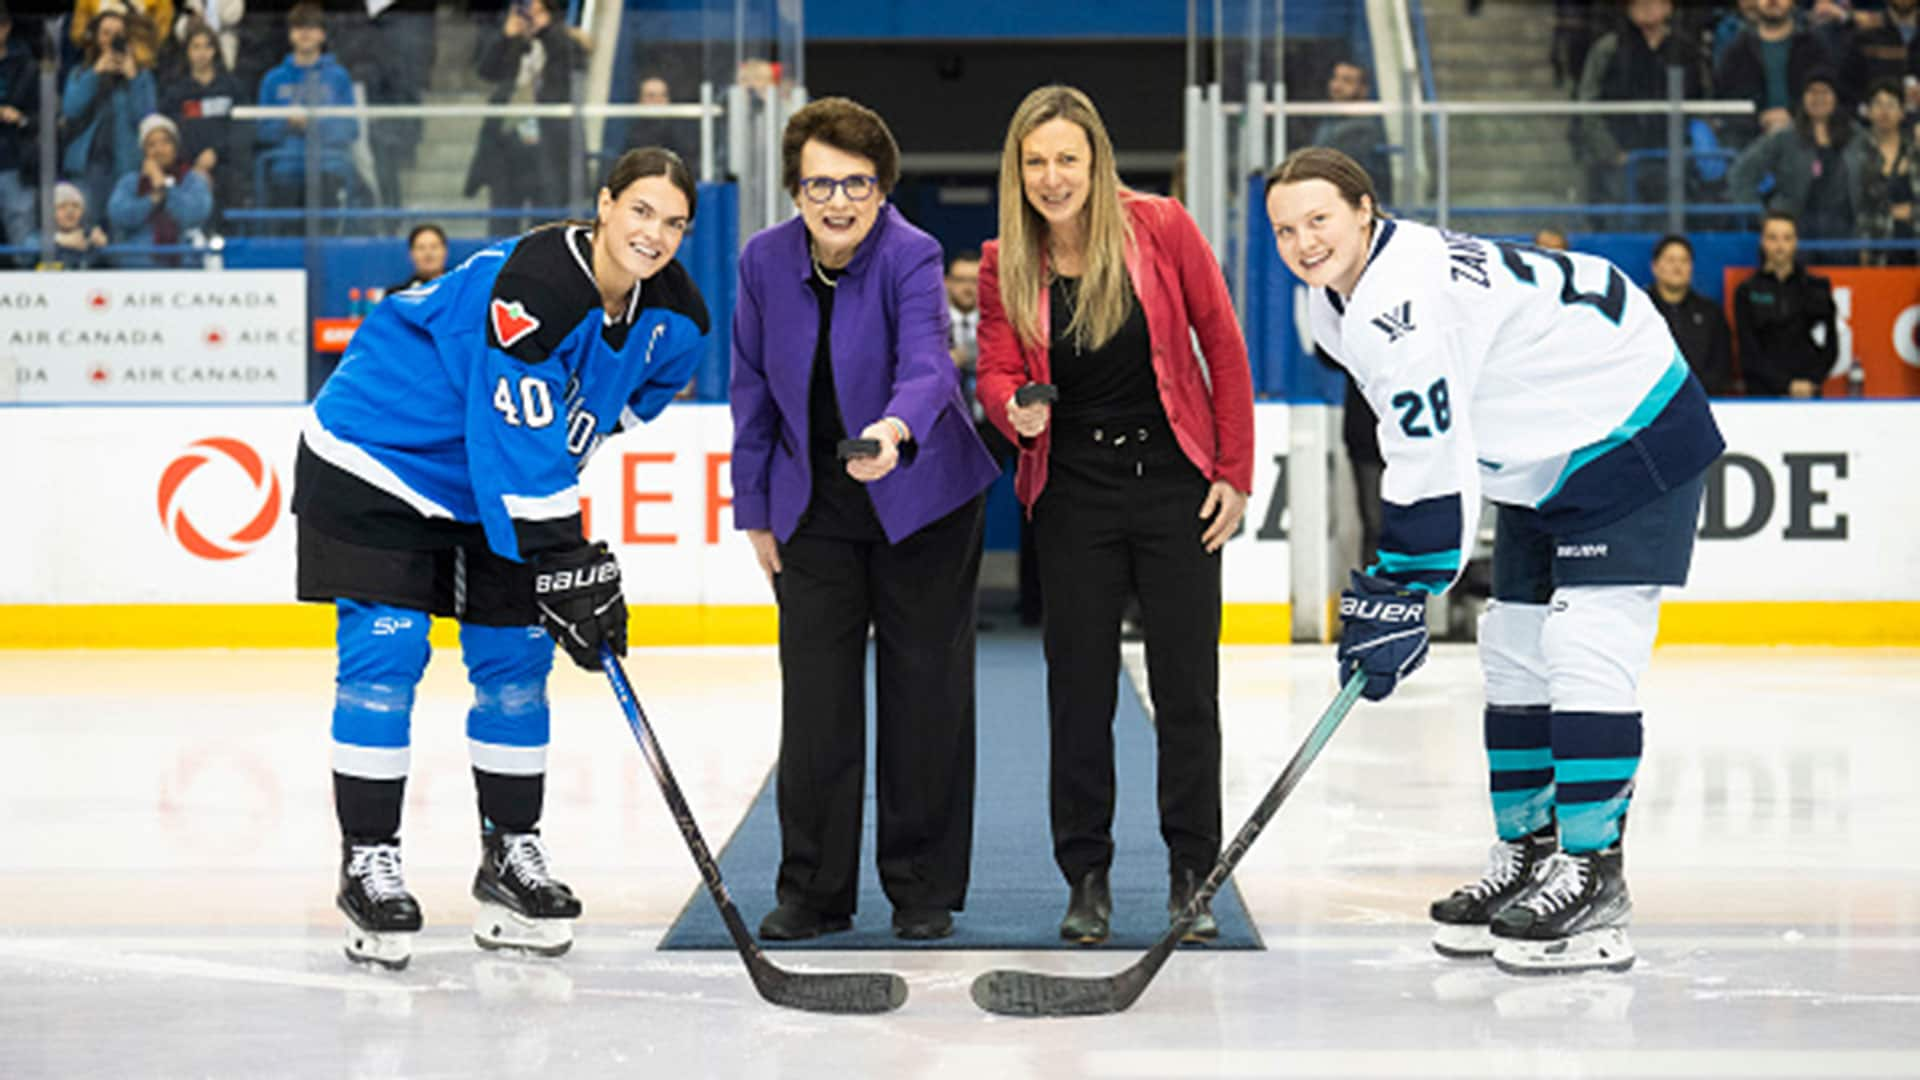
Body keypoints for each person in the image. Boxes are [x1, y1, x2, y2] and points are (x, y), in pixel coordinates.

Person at [1266, 146, 1723, 975]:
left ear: (1366, 211)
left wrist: (1405, 582)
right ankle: (1531, 854)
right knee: (1512, 650)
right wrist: (1405, 582)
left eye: (1319, 220)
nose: (1302, 242)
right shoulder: (1338, 296)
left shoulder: (1396, 300)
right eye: (1285, 229)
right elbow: (1437, 433)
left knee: (1586, 651)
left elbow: (1426, 447)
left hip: (1630, 429)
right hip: (1543, 455)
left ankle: (1593, 874)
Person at [291, 148, 710, 970]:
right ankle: (368, 862)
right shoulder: (534, 289)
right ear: (603, 204)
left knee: (514, 661)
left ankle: (509, 857)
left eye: (673, 222)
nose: (653, 234)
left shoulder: (679, 318)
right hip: (380, 454)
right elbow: (513, 441)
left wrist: (565, 555)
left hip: (496, 479)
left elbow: (625, 405)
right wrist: (568, 557)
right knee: (387, 651)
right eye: (639, 212)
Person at [976, 85, 1255, 946]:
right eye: (1036, 162)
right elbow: (992, 367)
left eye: (1067, 159)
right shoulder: (1003, 259)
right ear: (1015, 170)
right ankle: (1086, 878)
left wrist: (1234, 473)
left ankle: (1190, 875)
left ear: (1096, 160)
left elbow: (1223, 342)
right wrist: (1009, 408)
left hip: (1175, 481)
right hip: (1074, 490)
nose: (1052, 178)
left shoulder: (1162, 225)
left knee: (1186, 691)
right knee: (1079, 690)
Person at [730, 98, 999, 944]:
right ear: (794, 188)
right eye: (819, 183)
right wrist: (754, 509)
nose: (837, 200)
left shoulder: (911, 254)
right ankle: (813, 890)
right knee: (816, 705)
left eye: (856, 182)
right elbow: (750, 391)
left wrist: (893, 430)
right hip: (812, 510)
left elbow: (930, 361)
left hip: (919, 500)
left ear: (882, 188)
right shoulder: (762, 261)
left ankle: (922, 888)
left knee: (925, 696)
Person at [1575, 0, 1706, 218]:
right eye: (1639, 3)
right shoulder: (1609, 48)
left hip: (1673, 158)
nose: (1647, 7)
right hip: (1620, 160)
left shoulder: (1685, 49)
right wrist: (1609, 150)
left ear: (1669, 8)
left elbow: (1702, 101)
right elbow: (1588, 103)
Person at [466, 0, 588, 235]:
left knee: (545, 219)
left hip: (548, 145)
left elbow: (574, 62)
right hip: (507, 143)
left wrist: (545, 30)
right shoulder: (513, 45)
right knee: (502, 218)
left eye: (537, 11)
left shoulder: (563, 43)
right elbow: (486, 72)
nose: (530, 18)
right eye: (525, 12)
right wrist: (507, 36)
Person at [1728, 68, 1859, 240]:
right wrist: (1762, 217)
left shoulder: (1856, 137)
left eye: (1825, 92)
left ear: (1836, 98)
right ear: (1803, 98)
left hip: (1845, 233)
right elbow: (1741, 173)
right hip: (1793, 232)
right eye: (1812, 92)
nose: (1818, 98)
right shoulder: (1784, 137)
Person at [256, 3, 359, 218]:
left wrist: (313, 123)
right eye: (298, 27)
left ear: (322, 35)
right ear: (290, 35)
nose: (304, 33)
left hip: (328, 166)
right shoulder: (273, 79)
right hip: (285, 168)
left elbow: (350, 128)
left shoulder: (339, 77)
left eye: (311, 27)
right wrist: (287, 123)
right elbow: (261, 131)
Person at [62, 9, 158, 219]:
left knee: (121, 226)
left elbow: (147, 120)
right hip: (88, 165)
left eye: (117, 34)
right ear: (96, 37)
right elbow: (71, 108)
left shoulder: (141, 75)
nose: (111, 40)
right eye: (105, 33)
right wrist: (94, 74)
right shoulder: (81, 72)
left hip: (126, 165)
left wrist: (133, 78)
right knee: (89, 227)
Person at [1733, 209, 1839, 397]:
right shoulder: (1746, 292)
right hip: (1762, 396)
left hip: (1808, 393)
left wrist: (1812, 381)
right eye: (1773, 238)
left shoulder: (1816, 288)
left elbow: (1830, 344)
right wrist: (1785, 385)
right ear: (1763, 242)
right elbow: (1749, 351)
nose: (1780, 245)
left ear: (1795, 242)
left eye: (1786, 238)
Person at [158, 18, 245, 217]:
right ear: (187, 52)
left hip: (227, 167)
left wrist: (216, 152)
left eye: (207, 46)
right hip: (186, 167)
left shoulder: (232, 87)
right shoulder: (175, 91)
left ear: (215, 50)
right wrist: (193, 161)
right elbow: (170, 131)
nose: (202, 53)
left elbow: (242, 128)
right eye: (196, 47)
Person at [1716, 0, 1833, 145]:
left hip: (1807, 140)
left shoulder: (1815, 47)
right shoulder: (1736, 51)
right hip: (1748, 143)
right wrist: (1760, 119)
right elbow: (1726, 105)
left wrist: (1792, 115)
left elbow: (1830, 95)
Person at [106, 112, 211, 266]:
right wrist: (152, 199)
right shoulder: (130, 182)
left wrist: (165, 187)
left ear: (175, 147)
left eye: (165, 143)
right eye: (151, 145)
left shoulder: (193, 180)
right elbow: (118, 216)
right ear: (144, 151)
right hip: (138, 264)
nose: (159, 150)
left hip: (185, 263)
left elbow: (194, 214)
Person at [1648, 234, 1736, 395]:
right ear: (1655, 266)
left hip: (1703, 399)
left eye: (1684, 261)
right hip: (1651, 403)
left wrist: (1695, 393)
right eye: (1670, 260)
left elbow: (1722, 364)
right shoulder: (1641, 310)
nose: (1678, 267)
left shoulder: (1711, 312)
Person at [1847, 79, 1920, 265]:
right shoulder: (1854, 153)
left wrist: (1912, 212)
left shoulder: (1915, 152)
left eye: (1891, 105)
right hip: (1871, 247)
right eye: (1878, 104)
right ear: (1869, 111)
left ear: (1902, 112)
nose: (1884, 111)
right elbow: (1852, 204)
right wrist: (1891, 213)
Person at [1310, 59, 1394, 205]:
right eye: (1335, 78)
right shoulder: (1329, 121)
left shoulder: (1365, 128)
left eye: (1346, 81)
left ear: (1363, 89)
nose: (1336, 86)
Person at [0, 5, 37, 260]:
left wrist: (21, 118)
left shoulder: (27, 66)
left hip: (14, 161)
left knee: (22, 232)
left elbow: (47, 116)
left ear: (6, 27)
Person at [26, 180, 111, 269]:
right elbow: (29, 246)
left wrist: (101, 242)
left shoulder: (89, 236)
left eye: (76, 206)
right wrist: (58, 239)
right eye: (62, 206)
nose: (70, 211)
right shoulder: (37, 237)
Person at [387, 223, 449, 293]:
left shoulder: (461, 292)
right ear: (411, 254)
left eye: (434, 247)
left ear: (445, 251)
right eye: (421, 248)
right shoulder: (397, 295)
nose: (428, 253)